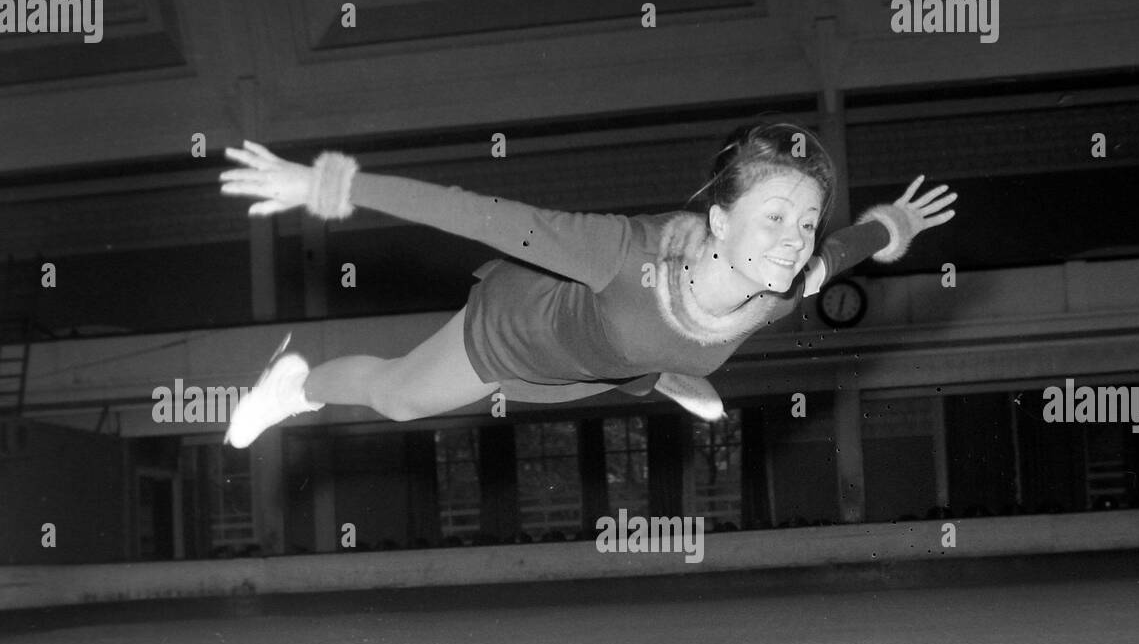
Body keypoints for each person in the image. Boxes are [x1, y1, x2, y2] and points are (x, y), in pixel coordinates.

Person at [219, 122, 956, 448]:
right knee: (398, 400)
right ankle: (297, 385)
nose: (793, 238)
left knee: (638, 358)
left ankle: (655, 372)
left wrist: (893, 224)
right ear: (721, 220)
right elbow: (480, 215)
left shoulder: (785, 284)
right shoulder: (620, 252)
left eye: (803, 220)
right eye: (774, 217)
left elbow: (843, 248)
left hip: (597, 364)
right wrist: (328, 183)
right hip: (522, 331)